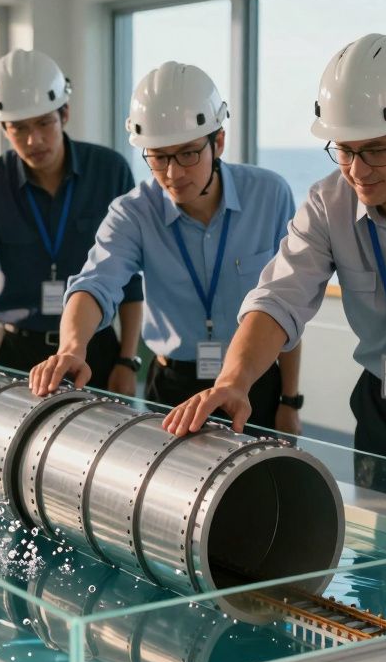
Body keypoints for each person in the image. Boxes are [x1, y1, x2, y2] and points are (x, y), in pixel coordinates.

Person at [162, 35, 386, 523]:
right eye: (345, 150)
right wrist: (234, 382)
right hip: (384, 406)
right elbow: (278, 299)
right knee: (385, 554)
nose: (358, 171)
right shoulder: (326, 201)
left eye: (376, 151)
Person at [28, 62, 303, 434]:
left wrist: (290, 400)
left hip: (255, 382)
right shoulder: (133, 212)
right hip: (173, 386)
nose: (173, 173)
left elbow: (285, 307)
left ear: (217, 142)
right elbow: (95, 283)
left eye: (188, 153)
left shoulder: (270, 195)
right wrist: (72, 348)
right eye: (158, 157)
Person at [0, 49, 143, 394]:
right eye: (19, 129)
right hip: (17, 352)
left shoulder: (109, 171)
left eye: (43, 123)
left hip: (95, 349)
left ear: (64, 113)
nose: (34, 140)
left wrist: (127, 360)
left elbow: (129, 275)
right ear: (4, 130)